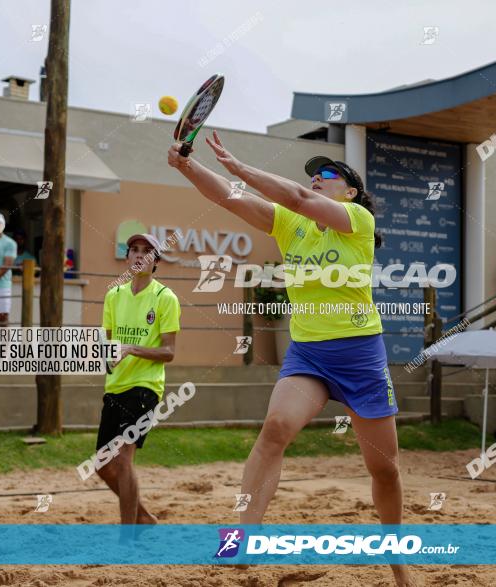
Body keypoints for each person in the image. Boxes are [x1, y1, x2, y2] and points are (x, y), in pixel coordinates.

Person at [168, 132, 416, 587]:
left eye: (328, 175)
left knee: (384, 468)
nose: (317, 180)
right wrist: (187, 166)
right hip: (309, 355)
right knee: (276, 428)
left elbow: (297, 195)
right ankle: (244, 534)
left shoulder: (355, 221)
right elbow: (228, 197)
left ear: (351, 192)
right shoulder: (291, 224)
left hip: (360, 355)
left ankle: (397, 558)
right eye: (315, 175)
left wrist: (241, 166)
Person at [95, 233, 181, 525]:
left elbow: (169, 352)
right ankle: (144, 517)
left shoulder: (165, 298)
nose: (140, 255)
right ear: (127, 257)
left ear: (156, 261)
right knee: (102, 465)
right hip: (115, 385)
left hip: (145, 387)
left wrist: (131, 349)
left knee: (122, 458)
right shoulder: (113, 295)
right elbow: (108, 344)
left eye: (147, 251)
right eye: (134, 250)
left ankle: (128, 536)